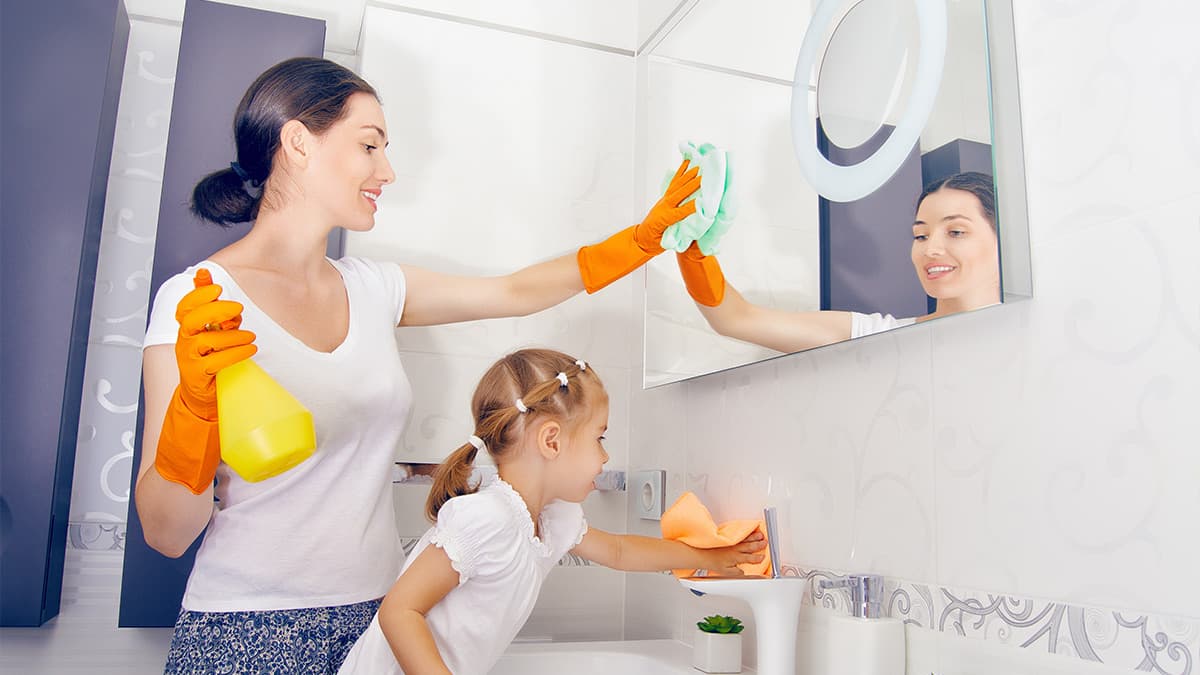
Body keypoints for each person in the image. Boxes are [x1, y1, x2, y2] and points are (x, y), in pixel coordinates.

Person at [135, 57, 701, 674]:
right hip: (244, 631)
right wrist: (193, 412)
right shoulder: (199, 302)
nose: (387, 170)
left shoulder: (375, 289)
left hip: (379, 621)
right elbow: (166, 533)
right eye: (369, 145)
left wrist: (641, 241)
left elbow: (512, 293)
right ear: (298, 142)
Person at [336, 348, 766, 675]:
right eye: (599, 437)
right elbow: (399, 612)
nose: (604, 455)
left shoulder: (552, 519)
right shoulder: (486, 519)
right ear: (552, 441)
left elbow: (620, 552)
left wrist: (711, 558)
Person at [674, 171, 999, 353]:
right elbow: (735, 319)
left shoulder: (1034, 339)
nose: (931, 250)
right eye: (921, 236)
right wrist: (692, 247)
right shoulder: (878, 338)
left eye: (956, 231)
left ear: (1006, 238)